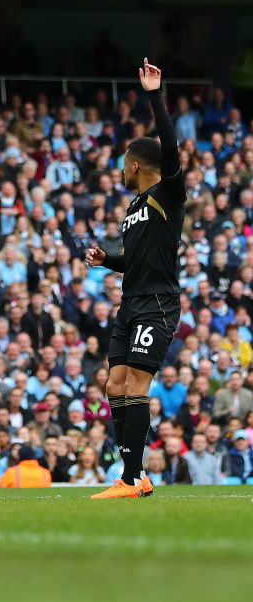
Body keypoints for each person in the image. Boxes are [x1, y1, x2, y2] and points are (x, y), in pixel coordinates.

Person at [87, 60, 184, 499]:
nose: (121, 172)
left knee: (137, 385)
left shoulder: (168, 192)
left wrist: (153, 95)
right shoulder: (133, 208)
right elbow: (139, 259)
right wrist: (108, 260)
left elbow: (170, 146)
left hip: (158, 303)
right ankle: (134, 476)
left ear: (137, 165)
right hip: (132, 301)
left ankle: (131, 479)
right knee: (114, 384)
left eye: (124, 164)